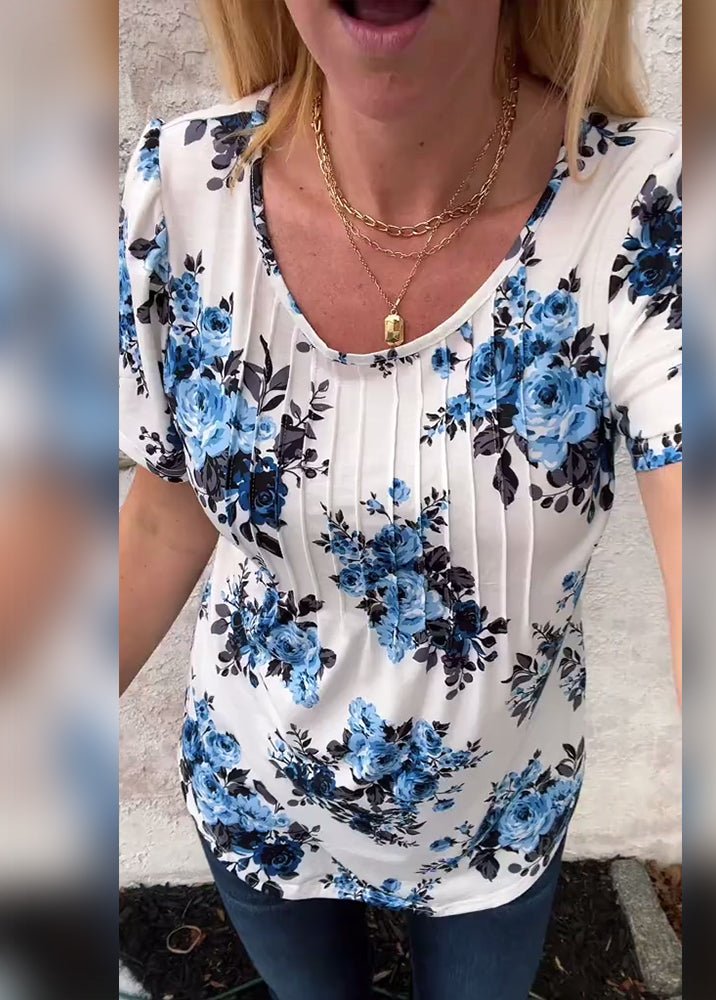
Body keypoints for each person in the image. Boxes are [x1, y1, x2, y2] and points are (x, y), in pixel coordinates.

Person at [119, 1, 682, 997]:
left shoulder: (650, 211)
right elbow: (168, 516)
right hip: (257, 797)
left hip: (493, 825)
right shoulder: (181, 192)